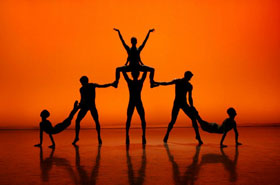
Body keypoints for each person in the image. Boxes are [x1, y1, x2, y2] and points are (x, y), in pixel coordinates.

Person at [155, 71, 203, 145]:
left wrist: (192, 106)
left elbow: (190, 97)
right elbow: (167, 83)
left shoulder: (189, 85)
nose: (191, 78)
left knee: (193, 118)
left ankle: (198, 136)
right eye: (190, 76)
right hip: (177, 103)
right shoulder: (178, 81)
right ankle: (167, 135)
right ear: (187, 76)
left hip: (184, 104)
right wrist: (158, 83)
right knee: (173, 121)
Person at [73, 76, 114, 145]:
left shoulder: (91, 86)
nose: (81, 84)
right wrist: (79, 105)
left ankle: (99, 137)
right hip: (86, 106)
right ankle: (77, 137)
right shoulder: (82, 89)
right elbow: (82, 99)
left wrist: (111, 84)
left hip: (91, 106)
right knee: (78, 121)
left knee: (96, 121)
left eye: (82, 82)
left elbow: (102, 86)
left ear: (84, 81)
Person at [122, 70, 147, 144]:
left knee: (130, 119)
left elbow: (124, 73)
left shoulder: (130, 82)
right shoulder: (140, 82)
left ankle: (127, 136)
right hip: (137, 101)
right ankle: (142, 136)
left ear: (132, 75)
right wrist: (141, 66)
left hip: (133, 101)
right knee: (141, 119)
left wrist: (127, 65)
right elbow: (145, 73)